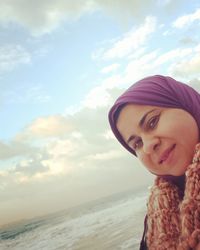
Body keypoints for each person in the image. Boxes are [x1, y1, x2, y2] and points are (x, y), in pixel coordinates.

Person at [108, 75, 200, 250]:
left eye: (152, 121)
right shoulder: (157, 217)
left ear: (186, 104)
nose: (149, 146)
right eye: (137, 143)